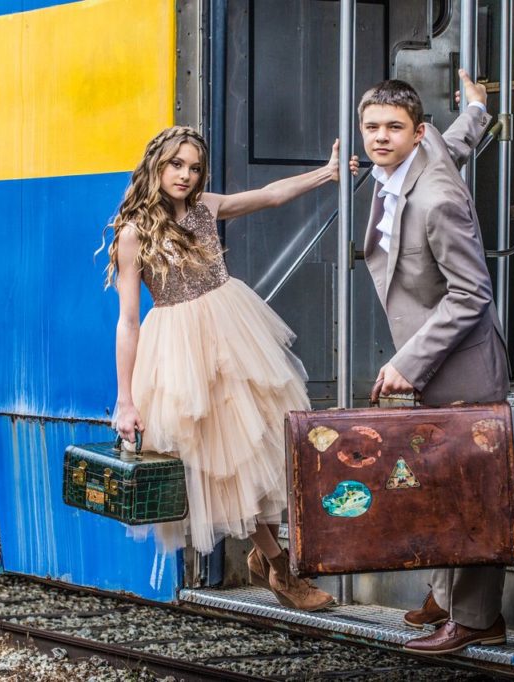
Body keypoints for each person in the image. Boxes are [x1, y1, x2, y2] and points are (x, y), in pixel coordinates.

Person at [106, 126, 337, 612]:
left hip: (234, 333)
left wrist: (327, 174)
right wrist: (125, 400)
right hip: (181, 352)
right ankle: (279, 566)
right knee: (228, 462)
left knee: (257, 446)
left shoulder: (206, 208)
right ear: (157, 164)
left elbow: (270, 196)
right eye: (176, 165)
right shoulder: (134, 233)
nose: (185, 175)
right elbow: (128, 321)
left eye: (193, 167)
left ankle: (268, 554)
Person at [352, 71, 510, 653]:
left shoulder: (439, 199)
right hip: (429, 363)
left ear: (418, 134)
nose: (380, 138)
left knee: (466, 490)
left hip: (459, 366)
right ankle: (444, 597)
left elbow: (473, 294)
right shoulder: (414, 157)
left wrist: (407, 363)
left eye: (393, 128)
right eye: (371, 127)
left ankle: (475, 618)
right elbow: (460, 138)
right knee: (434, 485)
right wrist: (476, 107)